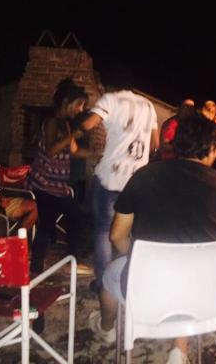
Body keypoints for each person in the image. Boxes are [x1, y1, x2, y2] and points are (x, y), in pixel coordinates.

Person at [88, 115, 216, 363]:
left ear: (177, 143)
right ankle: (179, 348)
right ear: (214, 149)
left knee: (109, 275)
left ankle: (106, 329)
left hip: (148, 288)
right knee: (200, 268)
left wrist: (137, 256)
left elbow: (116, 235)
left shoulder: (144, 176)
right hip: (203, 293)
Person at [74, 77, 159, 294]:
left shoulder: (111, 100)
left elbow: (88, 124)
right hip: (137, 181)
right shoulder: (148, 106)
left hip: (110, 178)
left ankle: (103, 284)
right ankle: (130, 279)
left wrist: (77, 125)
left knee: (103, 230)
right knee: (130, 232)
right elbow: (156, 144)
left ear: (110, 86)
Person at [26, 78, 91, 274]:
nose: (80, 110)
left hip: (56, 186)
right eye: (79, 104)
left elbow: (72, 150)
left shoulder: (66, 124)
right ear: (66, 102)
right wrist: (75, 134)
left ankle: (69, 260)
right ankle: (37, 268)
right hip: (43, 184)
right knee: (51, 223)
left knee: (73, 218)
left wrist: (97, 154)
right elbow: (52, 149)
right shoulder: (52, 120)